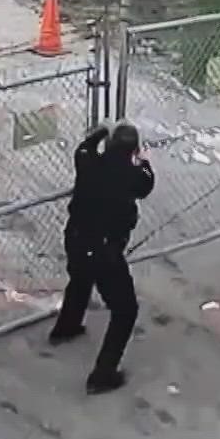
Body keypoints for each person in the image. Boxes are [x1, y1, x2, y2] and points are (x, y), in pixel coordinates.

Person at [49, 121, 155, 394]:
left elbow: (84, 147)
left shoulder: (87, 162)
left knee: (80, 278)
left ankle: (66, 327)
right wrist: (143, 160)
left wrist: (100, 133)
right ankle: (102, 374)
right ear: (132, 149)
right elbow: (147, 183)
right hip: (105, 249)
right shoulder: (134, 176)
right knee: (125, 310)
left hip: (76, 237)